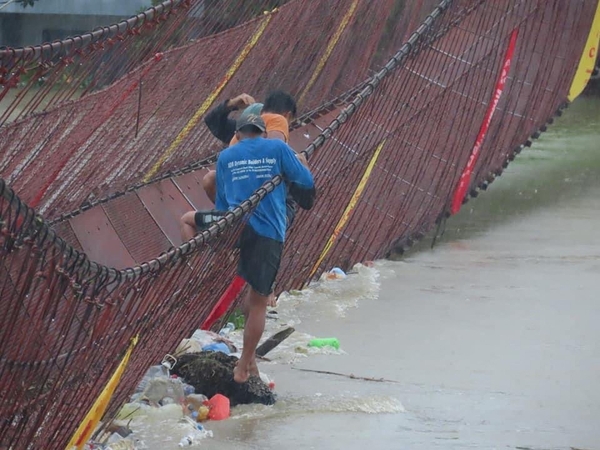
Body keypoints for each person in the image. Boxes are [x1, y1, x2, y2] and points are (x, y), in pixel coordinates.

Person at [215, 113, 314, 383]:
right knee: (259, 301)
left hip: (238, 228)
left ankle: (250, 363)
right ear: (262, 131)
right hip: (267, 232)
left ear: (239, 133)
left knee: (250, 293)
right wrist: (303, 164)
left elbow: (222, 204)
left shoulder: (226, 157)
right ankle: (244, 367)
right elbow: (306, 183)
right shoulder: (277, 148)